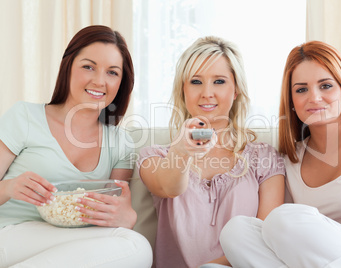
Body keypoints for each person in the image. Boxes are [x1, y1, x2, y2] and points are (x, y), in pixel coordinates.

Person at [219, 40, 341, 267]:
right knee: (236, 231)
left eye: (325, 86)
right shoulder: (290, 158)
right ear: (292, 101)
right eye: (302, 89)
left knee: (282, 218)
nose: (314, 98)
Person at [0, 25, 152, 267]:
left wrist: (127, 217)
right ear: (68, 67)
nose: (99, 81)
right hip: (9, 235)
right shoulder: (24, 117)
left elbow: (116, 210)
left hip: (72, 244)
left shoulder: (121, 144)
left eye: (112, 73)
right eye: (88, 67)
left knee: (136, 245)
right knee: (134, 246)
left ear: (122, 82)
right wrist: (9, 187)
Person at [138, 36, 285, 268]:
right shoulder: (153, 157)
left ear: (235, 89)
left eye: (219, 81)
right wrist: (182, 151)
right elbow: (168, 187)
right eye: (196, 82)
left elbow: (266, 238)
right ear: (183, 90)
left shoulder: (264, 158)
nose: (207, 93)